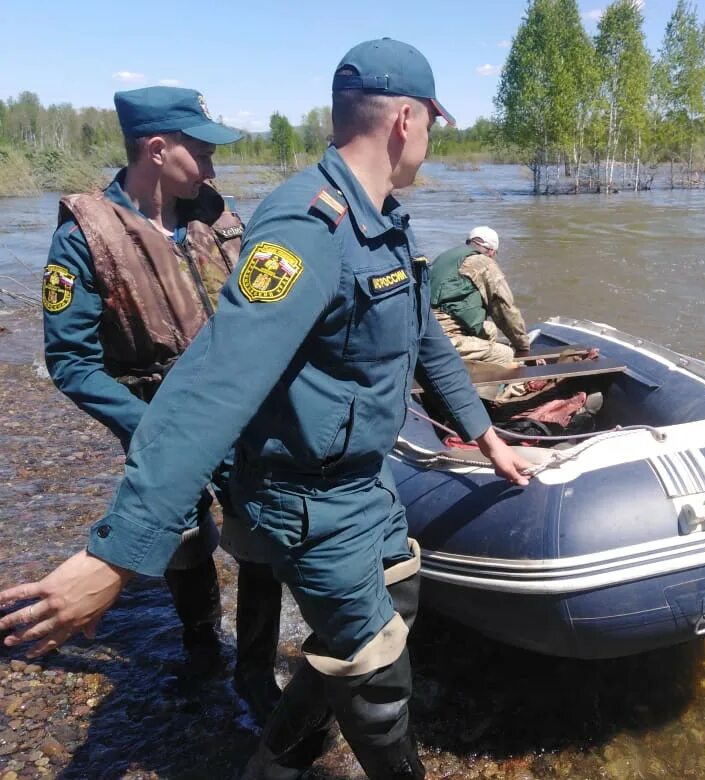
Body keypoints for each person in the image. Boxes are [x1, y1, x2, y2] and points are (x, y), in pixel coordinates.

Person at [2, 39, 530, 780]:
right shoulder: (307, 228)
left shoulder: (384, 219)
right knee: (381, 685)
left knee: (397, 599)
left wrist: (484, 435)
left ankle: (283, 750)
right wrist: (116, 554)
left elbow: (419, 336)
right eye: (434, 123)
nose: (432, 137)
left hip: (363, 480)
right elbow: (215, 381)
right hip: (307, 495)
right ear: (407, 121)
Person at [39, 85, 282, 717]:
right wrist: (151, 425)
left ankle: (255, 672)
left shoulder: (217, 216)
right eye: (200, 150)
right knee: (182, 538)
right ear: (156, 148)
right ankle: (202, 650)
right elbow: (70, 362)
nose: (211, 165)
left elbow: (267, 306)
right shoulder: (84, 236)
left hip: (237, 407)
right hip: (153, 412)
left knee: (259, 534)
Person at [430, 225, 531, 367]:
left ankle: (475, 368)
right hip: (445, 340)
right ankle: (479, 385)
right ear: (491, 251)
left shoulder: (447, 257)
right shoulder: (483, 262)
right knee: (506, 354)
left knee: (489, 329)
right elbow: (504, 309)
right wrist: (523, 347)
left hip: (426, 330)